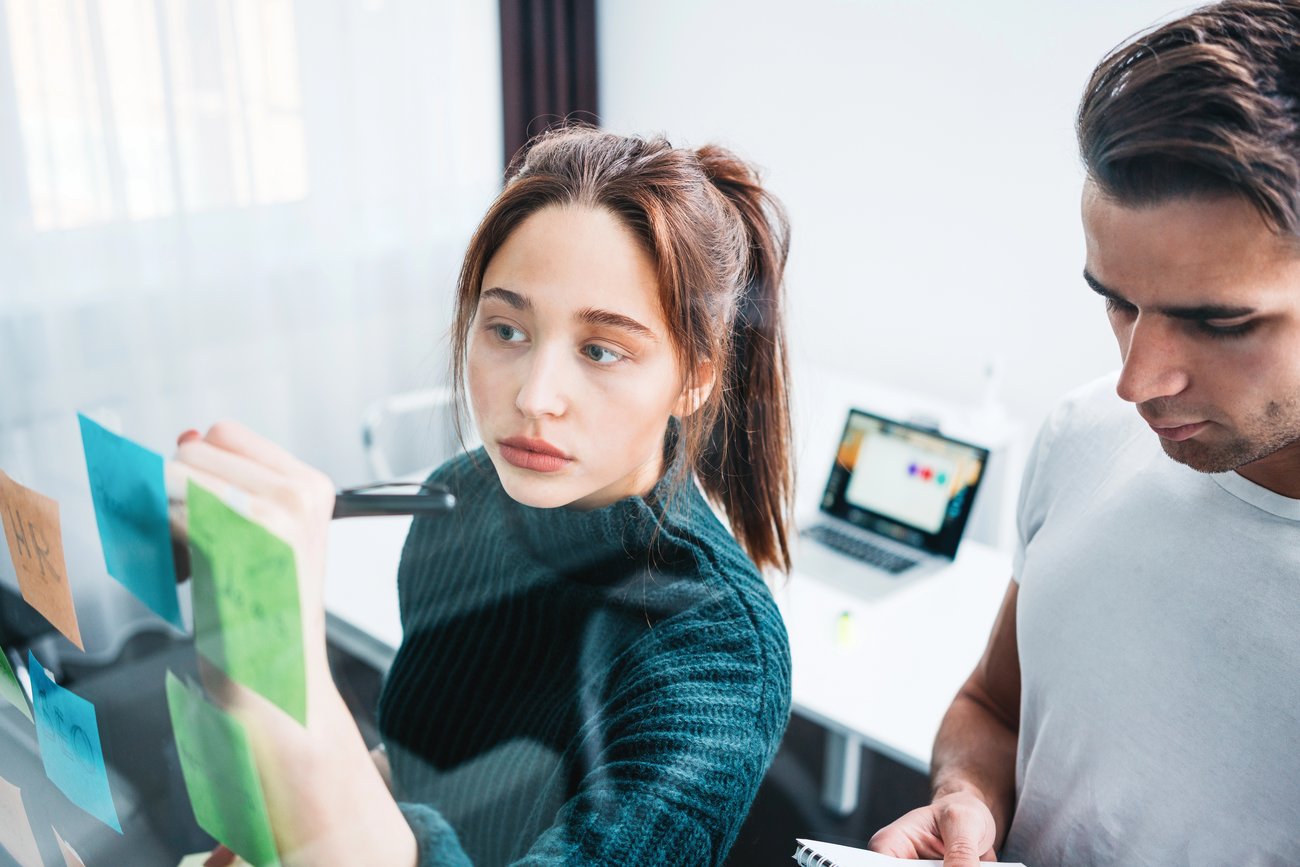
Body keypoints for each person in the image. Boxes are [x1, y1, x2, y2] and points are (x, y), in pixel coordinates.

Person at [169, 126, 795, 866]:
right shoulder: (458, 497)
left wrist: (281, 675)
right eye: (506, 329)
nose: (535, 397)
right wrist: (286, 827)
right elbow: (418, 762)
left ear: (695, 377)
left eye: (600, 350)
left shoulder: (719, 656)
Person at [868, 2, 1300, 865]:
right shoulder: (1083, 431)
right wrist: (966, 798)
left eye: (1217, 322)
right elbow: (992, 707)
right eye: (1117, 300)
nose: (1138, 382)